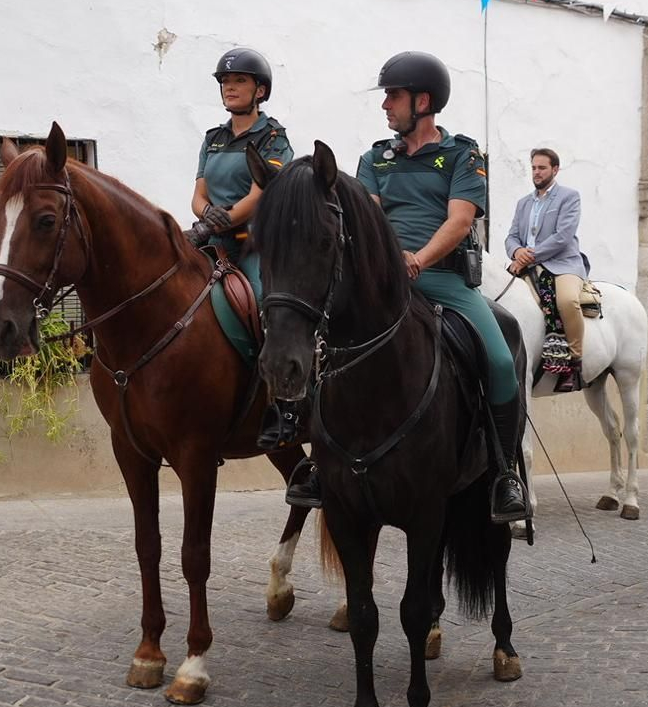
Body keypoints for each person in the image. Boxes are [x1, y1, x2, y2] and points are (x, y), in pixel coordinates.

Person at [289, 51, 527, 522]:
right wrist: (387, 262)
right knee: (322, 346)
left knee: (501, 359)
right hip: (384, 284)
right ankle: (318, 464)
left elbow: (460, 221)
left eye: (393, 96)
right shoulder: (376, 157)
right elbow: (369, 216)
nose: (385, 106)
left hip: (444, 280)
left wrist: (417, 259)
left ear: (423, 100)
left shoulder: (462, 154)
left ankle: (503, 473)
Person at [185, 47, 292, 285]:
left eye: (240, 80)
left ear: (260, 91)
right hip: (213, 241)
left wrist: (210, 226)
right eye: (225, 81)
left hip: (253, 244)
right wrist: (206, 213)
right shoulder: (213, 139)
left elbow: (258, 198)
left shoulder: (273, 137)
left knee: (263, 300)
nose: (229, 87)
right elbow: (198, 196)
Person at [505, 148, 591, 392]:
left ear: (555, 169)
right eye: (533, 167)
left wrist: (528, 256)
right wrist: (515, 252)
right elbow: (511, 236)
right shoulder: (523, 203)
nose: (536, 172)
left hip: (562, 262)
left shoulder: (569, 197)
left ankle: (575, 363)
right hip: (525, 263)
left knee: (566, 302)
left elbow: (562, 237)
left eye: (542, 168)